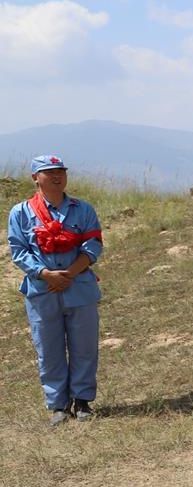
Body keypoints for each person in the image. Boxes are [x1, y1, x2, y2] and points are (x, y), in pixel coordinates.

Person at [7, 155, 103, 425]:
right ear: (35, 178)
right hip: (42, 291)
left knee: (84, 346)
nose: (56, 176)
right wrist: (46, 274)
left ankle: (82, 400)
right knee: (48, 349)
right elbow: (18, 250)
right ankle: (58, 405)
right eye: (49, 172)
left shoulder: (83, 209)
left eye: (60, 171)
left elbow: (93, 245)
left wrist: (69, 274)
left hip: (79, 287)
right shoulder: (21, 212)